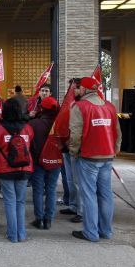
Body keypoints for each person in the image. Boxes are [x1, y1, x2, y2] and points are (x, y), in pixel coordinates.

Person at [69, 77, 121, 242]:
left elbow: (75, 134)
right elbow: (117, 132)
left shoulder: (80, 107)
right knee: (105, 194)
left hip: (89, 157)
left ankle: (91, 233)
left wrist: (74, 151)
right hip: (107, 156)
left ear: (83, 89)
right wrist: (115, 150)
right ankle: (106, 231)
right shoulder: (110, 107)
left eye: (79, 88)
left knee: (89, 195)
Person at [0, 98, 34, 243]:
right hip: (24, 168)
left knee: (10, 201)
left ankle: (12, 235)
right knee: (20, 201)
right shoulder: (27, 128)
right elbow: (30, 145)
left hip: (5, 169)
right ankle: (22, 234)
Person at [28, 96, 60, 230]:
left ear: (42, 109)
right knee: (51, 189)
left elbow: (28, 143)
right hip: (55, 161)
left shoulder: (34, 123)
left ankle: (39, 219)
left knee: (38, 190)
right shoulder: (60, 124)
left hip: (38, 161)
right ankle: (49, 220)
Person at [60, 78, 84, 223]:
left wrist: (74, 145)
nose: (72, 89)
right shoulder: (69, 102)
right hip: (66, 146)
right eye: (71, 87)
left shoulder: (82, 105)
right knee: (69, 179)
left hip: (76, 148)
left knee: (77, 181)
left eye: (75, 87)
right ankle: (73, 205)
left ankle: (81, 210)